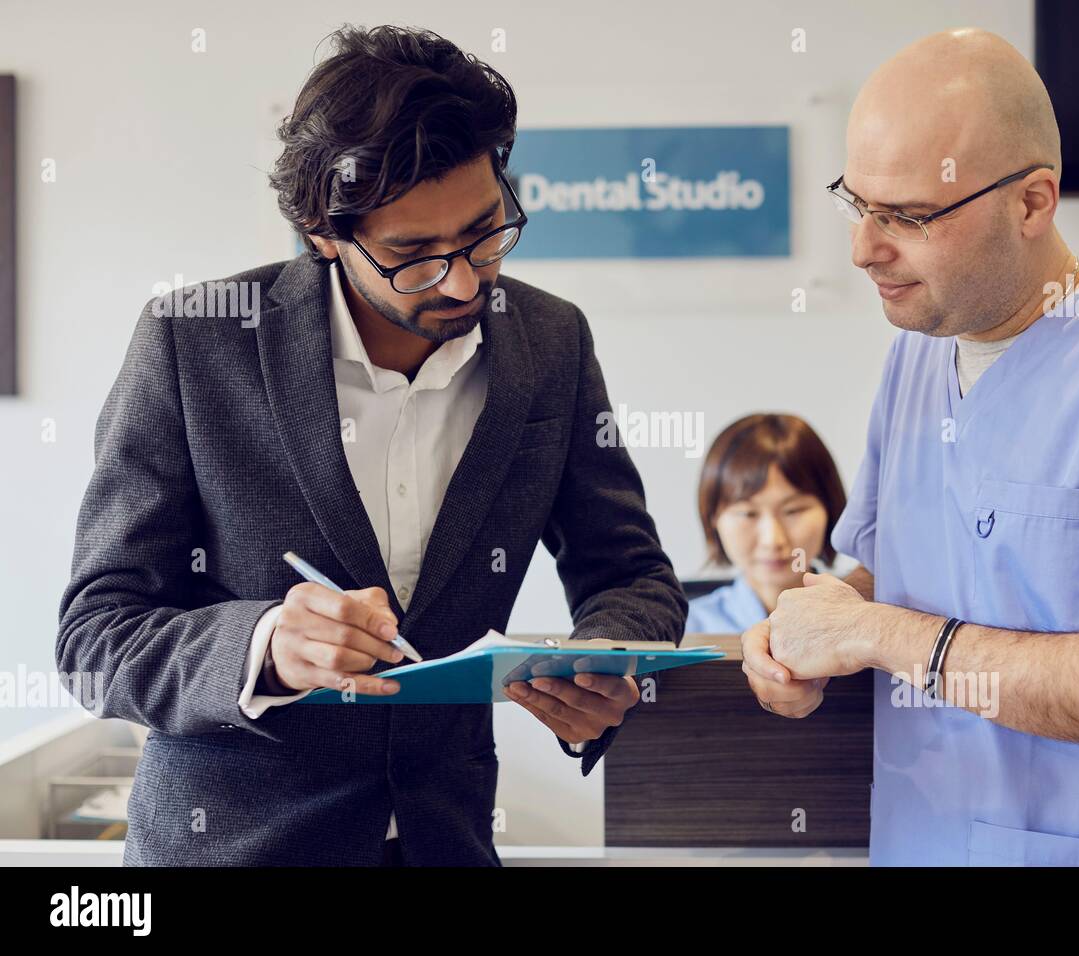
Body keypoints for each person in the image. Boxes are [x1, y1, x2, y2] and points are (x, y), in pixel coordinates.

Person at [56, 25, 686, 867]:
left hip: (447, 842)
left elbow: (631, 572)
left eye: (485, 232)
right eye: (412, 256)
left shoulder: (551, 341)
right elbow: (95, 638)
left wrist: (607, 660)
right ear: (323, 233)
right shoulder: (193, 342)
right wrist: (265, 646)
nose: (463, 281)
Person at [741, 28, 1079, 866]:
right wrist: (802, 633)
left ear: (1032, 203)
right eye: (859, 203)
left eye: (907, 216)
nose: (864, 248)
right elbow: (896, 575)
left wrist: (880, 635)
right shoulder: (918, 352)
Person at [686, 414, 845, 636]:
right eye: (748, 513)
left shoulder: (863, 621)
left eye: (793, 511)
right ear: (713, 519)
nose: (773, 540)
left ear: (830, 508)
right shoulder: (685, 632)